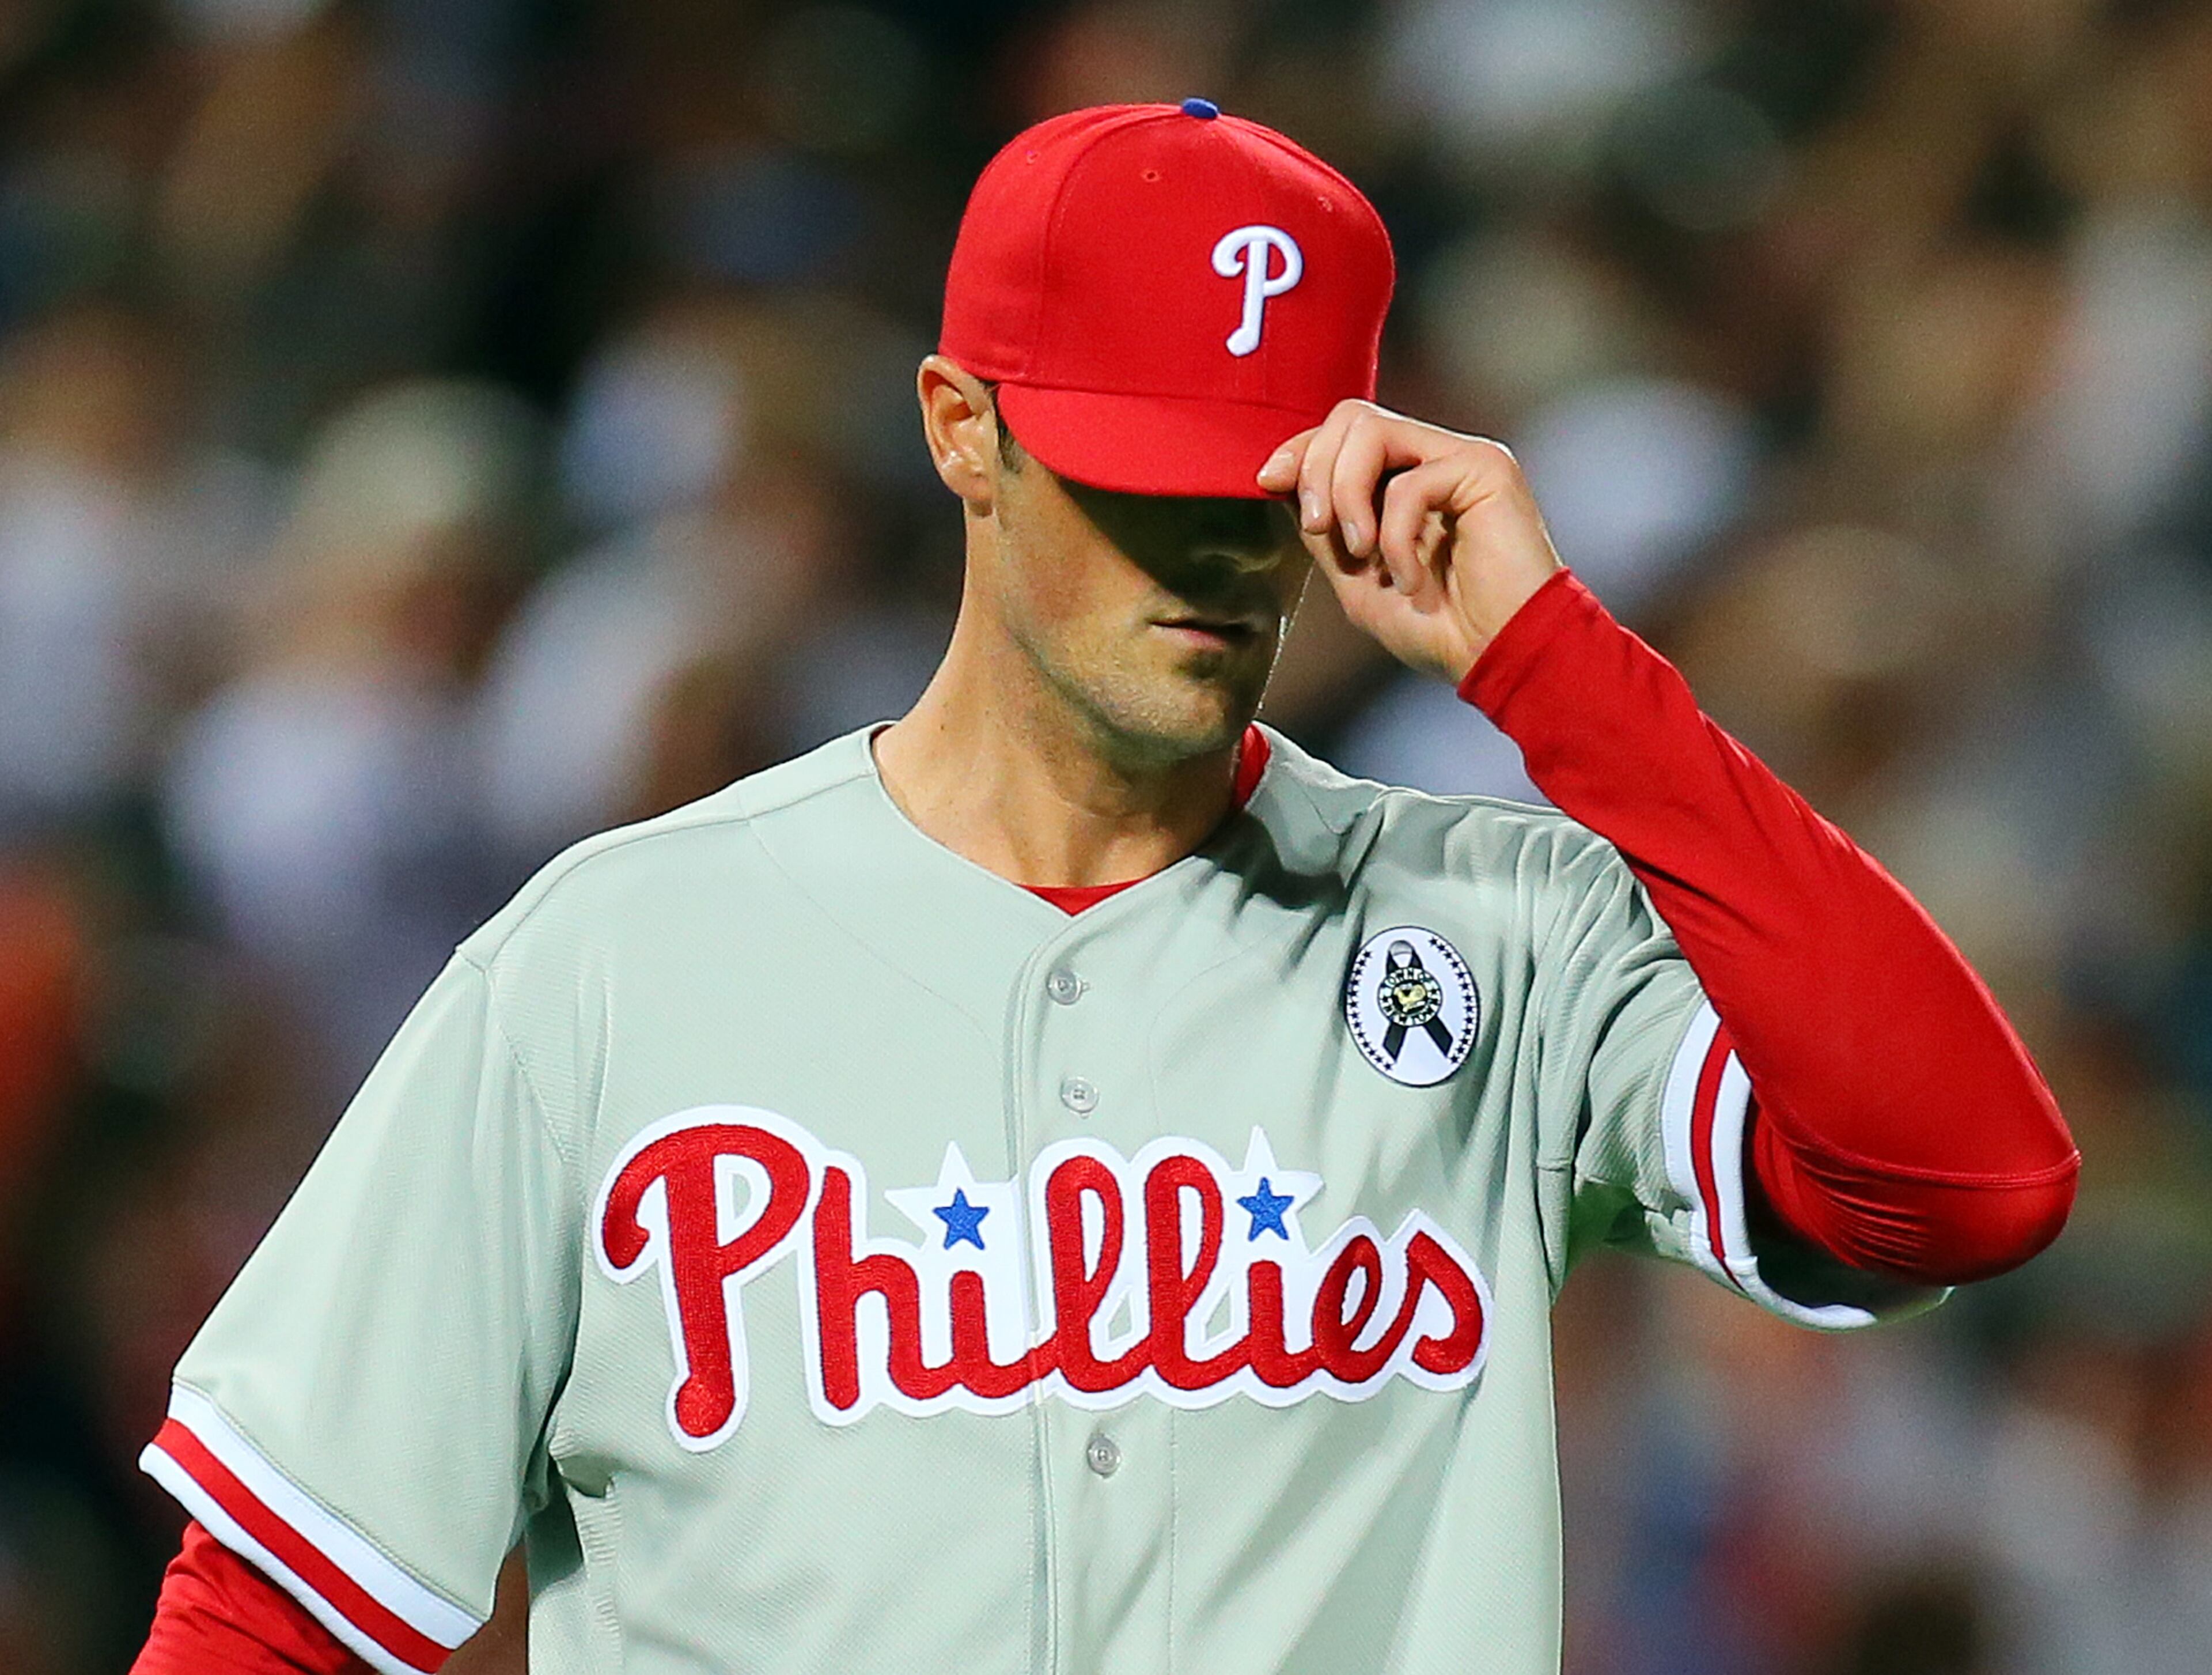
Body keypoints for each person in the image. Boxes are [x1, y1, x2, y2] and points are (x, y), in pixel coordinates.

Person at [130, 101, 2077, 1675]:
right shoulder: (613, 963)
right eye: (1145, 477)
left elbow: (1963, 1185)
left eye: (1262, 486)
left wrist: (1559, 668)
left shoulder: (1506, 928)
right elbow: (273, 1606)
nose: (1214, 552)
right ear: (962, 430)